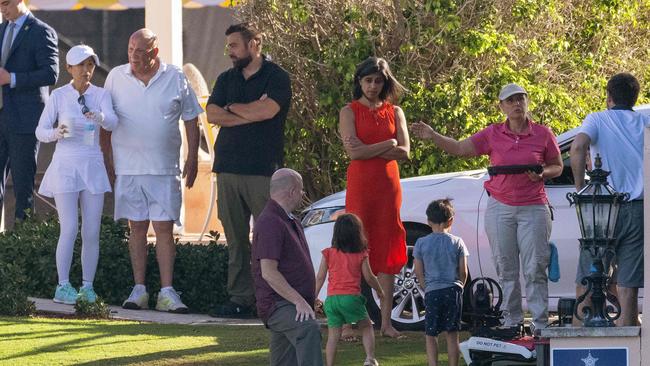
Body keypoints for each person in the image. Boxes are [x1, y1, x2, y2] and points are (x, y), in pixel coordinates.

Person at [411, 83, 563, 332]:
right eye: (510, 100)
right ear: (501, 106)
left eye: (520, 99)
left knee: (535, 267)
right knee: (506, 267)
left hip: (533, 207)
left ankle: (540, 324)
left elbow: (557, 165)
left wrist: (542, 173)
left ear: (527, 102)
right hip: (501, 207)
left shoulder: (543, 134)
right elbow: (460, 149)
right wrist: (434, 136)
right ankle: (512, 321)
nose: (516, 104)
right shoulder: (493, 133)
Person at [101, 29, 202, 313]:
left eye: (140, 51)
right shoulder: (115, 77)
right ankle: (139, 290)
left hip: (165, 169)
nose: (133, 56)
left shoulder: (175, 77)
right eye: (131, 49)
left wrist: (192, 157)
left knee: (164, 230)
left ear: (154, 53)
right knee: (136, 228)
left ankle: (167, 293)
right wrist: (106, 160)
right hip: (128, 169)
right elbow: (105, 122)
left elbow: (192, 118)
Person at [206, 22, 292, 318]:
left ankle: (275, 300)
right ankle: (241, 299)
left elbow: (268, 111)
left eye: (234, 45)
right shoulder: (225, 78)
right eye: (228, 45)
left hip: (263, 170)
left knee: (269, 238)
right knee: (236, 240)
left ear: (254, 43)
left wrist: (232, 109)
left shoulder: (277, 77)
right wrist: (247, 110)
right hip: (228, 168)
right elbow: (212, 112)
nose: (229, 51)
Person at [35, 45, 117, 305]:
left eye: (90, 65)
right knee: (69, 228)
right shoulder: (58, 96)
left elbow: (113, 122)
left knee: (91, 231)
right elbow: (40, 130)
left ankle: (88, 287)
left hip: (92, 165)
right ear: (69, 68)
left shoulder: (102, 95)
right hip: (65, 167)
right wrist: (55, 133)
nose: (86, 70)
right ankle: (63, 286)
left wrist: (101, 116)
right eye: (81, 65)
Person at [339, 56, 410, 338]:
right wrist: (387, 144)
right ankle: (347, 323)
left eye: (378, 81)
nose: (373, 85)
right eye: (368, 80)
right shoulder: (349, 111)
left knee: (387, 246)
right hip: (361, 185)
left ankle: (386, 323)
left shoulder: (396, 111)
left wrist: (374, 147)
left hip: (388, 187)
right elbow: (353, 153)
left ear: (385, 82)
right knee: (353, 246)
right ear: (359, 82)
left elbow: (405, 152)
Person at [570, 73, 648, 326]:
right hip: (637, 208)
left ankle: (581, 339)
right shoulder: (644, 120)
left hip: (601, 210)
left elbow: (579, 146)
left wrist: (581, 188)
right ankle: (627, 352)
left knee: (588, 279)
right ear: (635, 97)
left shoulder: (597, 119)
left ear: (609, 97)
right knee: (628, 286)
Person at [251, 168, 323, 366]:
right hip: (279, 303)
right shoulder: (270, 222)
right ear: (292, 191)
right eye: (301, 191)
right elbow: (268, 272)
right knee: (308, 328)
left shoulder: (289, 220)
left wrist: (307, 298)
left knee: (284, 359)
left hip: (290, 302)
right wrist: (299, 300)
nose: (302, 195)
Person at [0, 0, 58, 223]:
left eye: (6, 4)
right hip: (1, 117)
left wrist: (12, 79)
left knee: (23, 189)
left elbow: (50, 73)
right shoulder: (2, 29)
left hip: (24, 121)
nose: (3, 10)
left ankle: (23, 250)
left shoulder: (41, 32)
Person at [314, 213, 384, 366]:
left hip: (331, 300)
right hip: (351, 298)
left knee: (333, 336)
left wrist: (313, 296)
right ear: (358, 233)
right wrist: (380, 291)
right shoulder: (361, 254)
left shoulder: (328, 253)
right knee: (366, 326)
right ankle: (370, 359)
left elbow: (320, 277)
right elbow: (370, 277)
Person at [413, 199, 468, 366]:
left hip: (432, 291)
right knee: (452, 333)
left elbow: (418, 271)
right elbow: (463, 271)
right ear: (450, 220)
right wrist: (460, 286)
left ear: (428, 221)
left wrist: (425, 287)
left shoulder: (421, 243)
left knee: (431, 334)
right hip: (453, 290)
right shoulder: (457, 242)